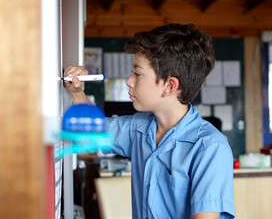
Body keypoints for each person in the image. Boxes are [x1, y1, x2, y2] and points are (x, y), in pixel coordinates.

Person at [64, 23, 235, 219]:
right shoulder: (138, 128)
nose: (129, 81)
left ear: (169, 86)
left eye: (137, 73)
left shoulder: (210, 148)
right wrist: (76, 92)